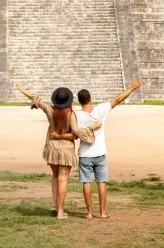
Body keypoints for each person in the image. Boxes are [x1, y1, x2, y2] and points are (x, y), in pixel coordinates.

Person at [51, 79, 143, 219]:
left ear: (80, 102)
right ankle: (102, 212)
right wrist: (132, 88)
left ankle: (88, 213)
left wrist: (57, 135)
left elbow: (73, 133)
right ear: (90, 99)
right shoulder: (101, 109)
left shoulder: (76, 115)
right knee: (101, 182)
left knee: (87, 182)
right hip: (100, 152)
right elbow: (118, 99)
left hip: (85, 154)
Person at [17, 83, 101, 219]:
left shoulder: (50, 110)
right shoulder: (71, 114)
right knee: (63, 179)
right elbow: (75, 133)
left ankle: (55, 205)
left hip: (52, 147)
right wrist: (92, 128)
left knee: (55, 176)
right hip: (65, 150)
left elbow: (36, 100)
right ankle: (60, 212)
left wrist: (23, 90)